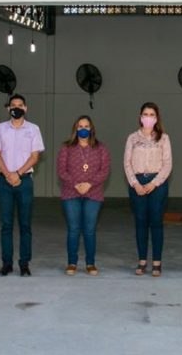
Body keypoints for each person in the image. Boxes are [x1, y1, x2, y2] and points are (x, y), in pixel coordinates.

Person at [0, 94, 45, 276]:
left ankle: (24, 263)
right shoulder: (0, 129)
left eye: (20, 105)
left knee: (25, 224)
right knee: (6, 225)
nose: (16, 108)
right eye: (13, 105)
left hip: (24, 181)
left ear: (25, 108)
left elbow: (35, 156)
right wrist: (8, 174)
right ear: (8, 108)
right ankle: (6, 263)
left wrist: (18, 174)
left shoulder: (33, 129)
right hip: (4, 182)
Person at [56, 115, 111, 276]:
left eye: (86, 126)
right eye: (80, 126)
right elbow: (61, 171)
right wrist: (75, 184)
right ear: (75, 129)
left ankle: (90, 263)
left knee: (89, 230)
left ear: (91, 129)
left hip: (93, 193)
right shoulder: (66, 148)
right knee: (73, 229)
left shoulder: (101, 148)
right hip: (70, 192)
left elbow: (104, 171)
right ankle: (72, 262)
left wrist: (89, 184)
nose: (83, 129)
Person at [123, 102, 172, 277]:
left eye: (152, 115)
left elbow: (167, 164)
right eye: (145, 114)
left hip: (157, 183)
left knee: (156, 222)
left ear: (156, 118)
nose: (148, 117)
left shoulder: (164, 138)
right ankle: (142, 260)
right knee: (140, 222)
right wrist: (135, 183)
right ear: (140, 117)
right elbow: (127, 162)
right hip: (137, 182)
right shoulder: (132, 138)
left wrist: (154, 183)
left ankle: (157, 262)